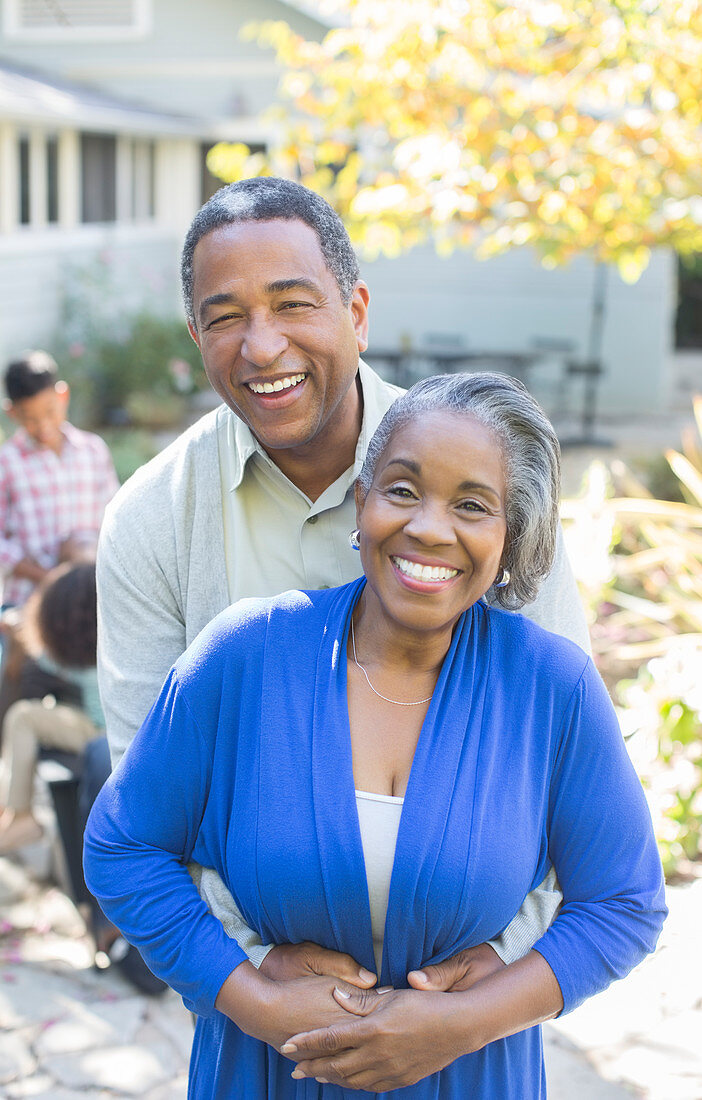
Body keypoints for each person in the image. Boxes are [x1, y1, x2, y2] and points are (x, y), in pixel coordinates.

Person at [85, 372, 666, 1097]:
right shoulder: (245, 656)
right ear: (361, 504)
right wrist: (250, 995)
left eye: (472, 505)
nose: (428, 526)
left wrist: (474, 1019)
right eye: (401, 489)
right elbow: (123, 846)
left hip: (473, 1075)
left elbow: (624, 902)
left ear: (510, 537)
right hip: (267, 1071)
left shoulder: (554, 690)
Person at [96, 178, 590, 990]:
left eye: (293, 303)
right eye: (225, 318)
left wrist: (497, 969)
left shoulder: (487, 473)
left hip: (464, 1000)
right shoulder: (153, 521)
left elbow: (564, 754)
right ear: (195, 337)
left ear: (356, 312)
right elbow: (143, 813)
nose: (261, 346)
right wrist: (251, 971)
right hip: (268, 1020)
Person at [0, 350, 119, 726]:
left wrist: (84, 560)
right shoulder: (7, 463)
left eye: (51, 411)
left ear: (63, 395)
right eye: (31, 419)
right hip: (28, 598)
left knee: (97, 684)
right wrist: (48, 577)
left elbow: (114, 518)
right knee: (18, 677)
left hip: (86, 598)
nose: (44, 425)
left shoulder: (92, 451)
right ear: (12, 414)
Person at [0, 563, 104, 852]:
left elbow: (38, 650)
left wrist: (17, 622)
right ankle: (10, 812)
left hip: (100, 733)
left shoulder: (71, 658)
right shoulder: (108, 643)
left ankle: (20, 815)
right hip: (110, 728)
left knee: (23, 717)